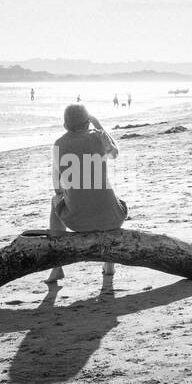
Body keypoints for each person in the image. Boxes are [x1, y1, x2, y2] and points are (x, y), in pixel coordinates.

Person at [46, 104, 127, 284]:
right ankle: (110, 266)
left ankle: (56, 266)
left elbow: (57, 186)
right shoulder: (98, 138)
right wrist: (98, 124)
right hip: (111, 219)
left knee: (54, 200)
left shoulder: (59, 144)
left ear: (65, 125)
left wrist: (68, 194)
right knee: (108, 198)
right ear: (87, 122)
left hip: (78, 222)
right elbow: (115, 153)